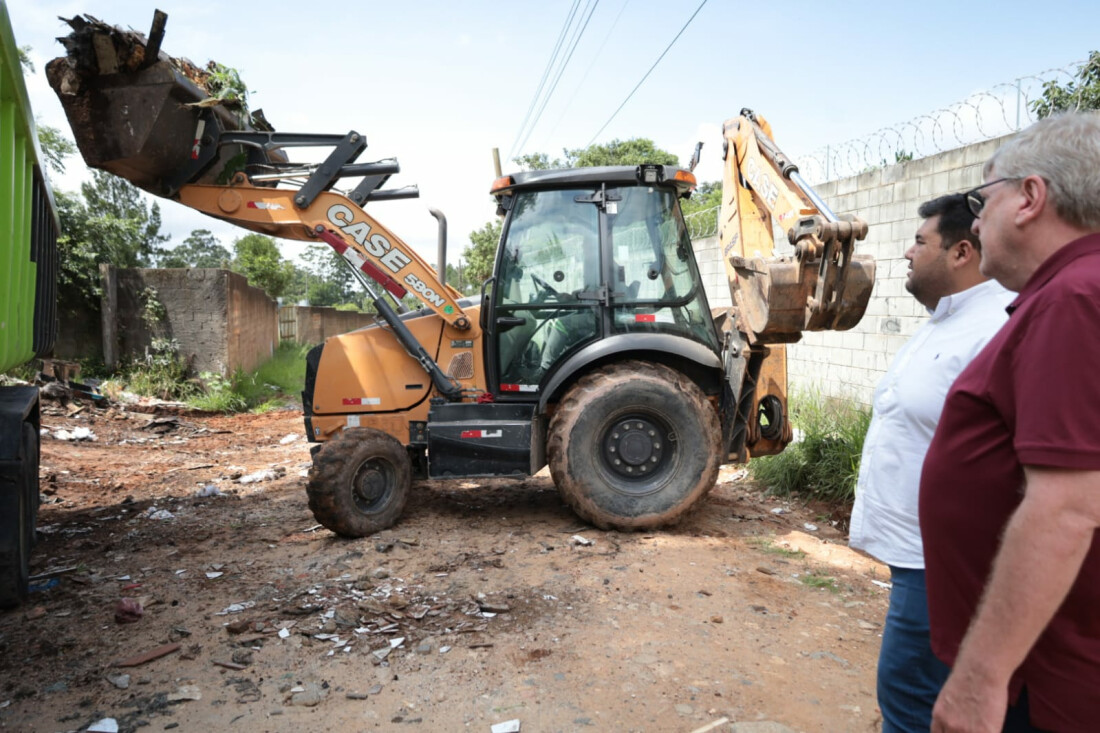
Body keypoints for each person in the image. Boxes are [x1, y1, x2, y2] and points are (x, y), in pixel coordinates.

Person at [920, 111, 1100, 733]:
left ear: (1029, 197)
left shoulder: (1073, 300)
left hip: (1037, 685)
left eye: (982, 198)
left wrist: (980, 679)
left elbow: (1068, 507)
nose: (974, 219)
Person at [849, 194, 1012, 732]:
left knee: (908, 700)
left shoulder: (993, 329)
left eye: (920, 242)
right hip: (914, 558)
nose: (906, 252)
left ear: (962, 251)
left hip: (939, 563)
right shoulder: (944, 322)